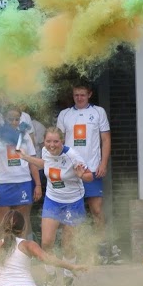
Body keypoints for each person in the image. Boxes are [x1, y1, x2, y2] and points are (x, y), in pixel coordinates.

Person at [18, 127, 92, 286]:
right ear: (44, 142)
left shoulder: (72, 156)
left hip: (72, 202)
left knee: (68, 244)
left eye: (55, 141)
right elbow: (46, 164)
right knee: (47, 242)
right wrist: (26, 157)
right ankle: (50, 275)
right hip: (53, 200)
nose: (52, 145)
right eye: (48, 141)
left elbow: (90, 177)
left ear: (62, 141)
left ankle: (68, 280)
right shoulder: (45, 151)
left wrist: (82, 175)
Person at [55, 85, 113, 264]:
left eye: (82, 95)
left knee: (96, 210)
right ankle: (76, 250)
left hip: (92, 168)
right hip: (71, 171)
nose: (79, 98)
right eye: (76, 95)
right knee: (73, 213)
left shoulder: (98, 112)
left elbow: (106, 139)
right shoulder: (64, 114)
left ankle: (101, 249)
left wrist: (103, 163)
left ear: (89, 95)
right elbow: (57, 143)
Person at [0, 105, 41, 247]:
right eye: (11, 119)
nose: (14, 122)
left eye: (17, 119)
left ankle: (22, 256)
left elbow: (32, 161)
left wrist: (38, 184)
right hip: (2, 183)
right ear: (3, 119)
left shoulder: (25, 135)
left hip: (23, 182)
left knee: (23, 221)